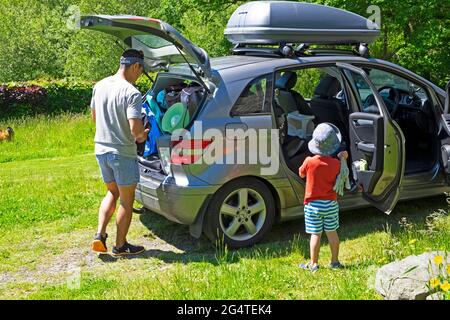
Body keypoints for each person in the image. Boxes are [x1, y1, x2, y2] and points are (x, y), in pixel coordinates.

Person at [90, 49, 149, 257]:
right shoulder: (131, 93)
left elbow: (95, 119)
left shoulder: (99, 86)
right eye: (140, 71)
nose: (139, 76)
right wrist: (143, 134)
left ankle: (99, 235)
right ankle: (120, 246)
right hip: (122, 153)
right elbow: (136, 131)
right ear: (135, 66)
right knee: (126, 200)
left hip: (100, 149)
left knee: (112, 192)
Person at [298, 123, 348, 272]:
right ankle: (334, 262)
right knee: (332, 233)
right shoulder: (336, 164)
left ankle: (313, 264)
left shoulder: (309, 161)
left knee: (315, 234)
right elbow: (343, 173)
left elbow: (301, 174)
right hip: (330, 204)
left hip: (313, 206)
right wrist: (343, 157)